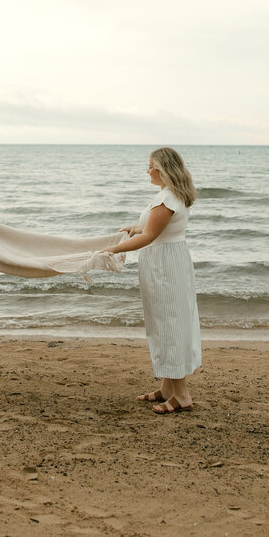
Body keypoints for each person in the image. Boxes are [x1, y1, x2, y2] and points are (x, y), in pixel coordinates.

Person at [104, 147, 200, 414]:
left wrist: (114, 249)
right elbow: (154, 229)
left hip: (164, 266)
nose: (147, 171)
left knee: (169, 325)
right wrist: (135, 228)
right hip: (168, 261)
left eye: (150, 166)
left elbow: (150, 236)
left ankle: (182, 395)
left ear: (162, 169)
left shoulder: (167, 199)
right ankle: (168, 388)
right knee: (164, 323)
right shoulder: (173, 195)